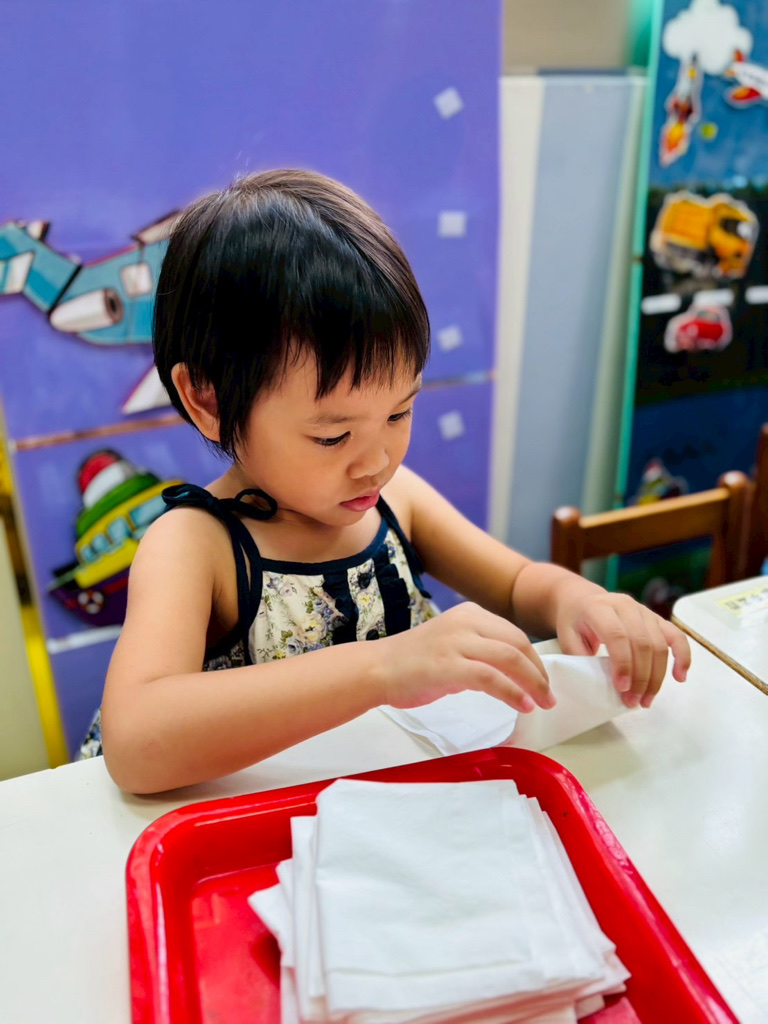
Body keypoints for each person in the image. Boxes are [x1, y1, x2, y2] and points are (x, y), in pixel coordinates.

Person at [96, 169, 690, 793]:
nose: (376, 461)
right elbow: (136, 743)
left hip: (404, 803)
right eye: (333, 436)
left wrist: (579, 600)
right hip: (268, 824)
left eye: (400, 413)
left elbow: (516, 585)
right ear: (208, 400)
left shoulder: (394, 500)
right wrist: (384, 667)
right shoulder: (197, 546)